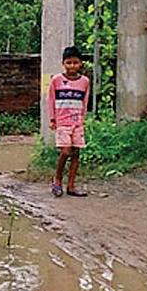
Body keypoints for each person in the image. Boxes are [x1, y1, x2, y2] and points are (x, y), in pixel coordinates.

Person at [49, 46, 90, 198]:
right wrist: (53, 119)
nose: (72, 66)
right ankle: (57, 180)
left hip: (77, 123)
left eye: (75, 63)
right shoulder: (57, 80)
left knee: (76, 153)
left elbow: (85, 102)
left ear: (81, 64)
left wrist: (82, 119)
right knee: (66, 151)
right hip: (62, 122)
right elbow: (51, 100)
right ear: (63, 64)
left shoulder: (85, 81)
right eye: (69, 63)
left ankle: (71, 185)